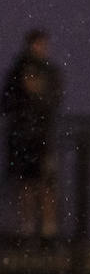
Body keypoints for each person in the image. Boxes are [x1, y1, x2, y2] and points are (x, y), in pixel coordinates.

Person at [2, 29, 62, 240]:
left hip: (40, 135)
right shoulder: (18, 71)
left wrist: (37, 94)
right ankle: (28, 228)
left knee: (46, 184)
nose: (40, 48)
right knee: (27, 184)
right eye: (37, 44)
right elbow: (7, 102)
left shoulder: (49, 72)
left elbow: (54, 100)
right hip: (24, 135)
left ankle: (48, 230)